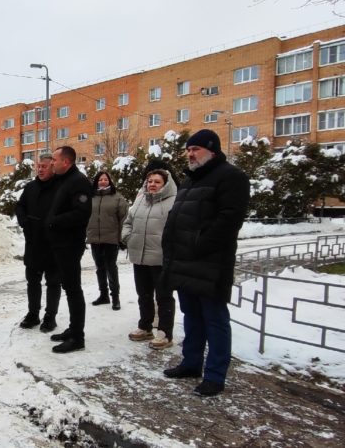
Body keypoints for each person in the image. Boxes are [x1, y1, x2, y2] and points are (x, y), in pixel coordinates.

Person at [161, 129, 249, 397]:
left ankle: (215, 376)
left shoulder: (231, 177)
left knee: (215, 320)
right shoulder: (190, 182)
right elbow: (179, 218)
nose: (190, 153)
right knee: (191, 316)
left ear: (212, 150)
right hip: (185, 261)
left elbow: (229, 220)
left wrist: (199, 245)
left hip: (211, 264)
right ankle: (191, 363)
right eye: (188, 149)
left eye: (196, 149)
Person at [121, 169, 176, 350]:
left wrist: (169, 248)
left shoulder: (173, 202)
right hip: (140, 256)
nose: (152, 184)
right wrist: (128, 237)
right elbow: (128, 221)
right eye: (150, 181)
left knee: (163, 296)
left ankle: (165, 333)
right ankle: (145, 326)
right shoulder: (140, 200)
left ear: (166, 184)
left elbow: (178, 228)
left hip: (161, 258)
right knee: (143, 295)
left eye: (157, 182)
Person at [45, 146, 93, 353]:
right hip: (60, 244)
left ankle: (77, 337)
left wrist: (54, 222)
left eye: (54, 160)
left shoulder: (78, 182)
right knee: (68, 288)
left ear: (66, 162)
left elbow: (82, 214)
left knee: (73, 290)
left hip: (70, 245)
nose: (51, 163)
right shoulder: (64, 180)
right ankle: (73, 329)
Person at [15, 154, 62, 332]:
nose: (40, 169)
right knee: (32, 281)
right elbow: (20, 206)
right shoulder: (31, 187)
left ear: (52, 167)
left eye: (44, 166)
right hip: (33, 242)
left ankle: (50, 316)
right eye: (39, 166)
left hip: (53, 244)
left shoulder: (60, 187)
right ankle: (33, 314)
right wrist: (23, 220)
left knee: (53, 282)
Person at [86, 171, 128, 310]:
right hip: (95, 238)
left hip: (111, 238)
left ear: (110, 181)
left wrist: (122, 238)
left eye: (105, 179)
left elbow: (124, 218)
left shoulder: (117, 198)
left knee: (111, 267)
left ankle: (115, 297)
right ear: (96, 181)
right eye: (100, 179)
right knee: (100, 268)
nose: (103, 182)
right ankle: (103, 295)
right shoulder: (90, 197)